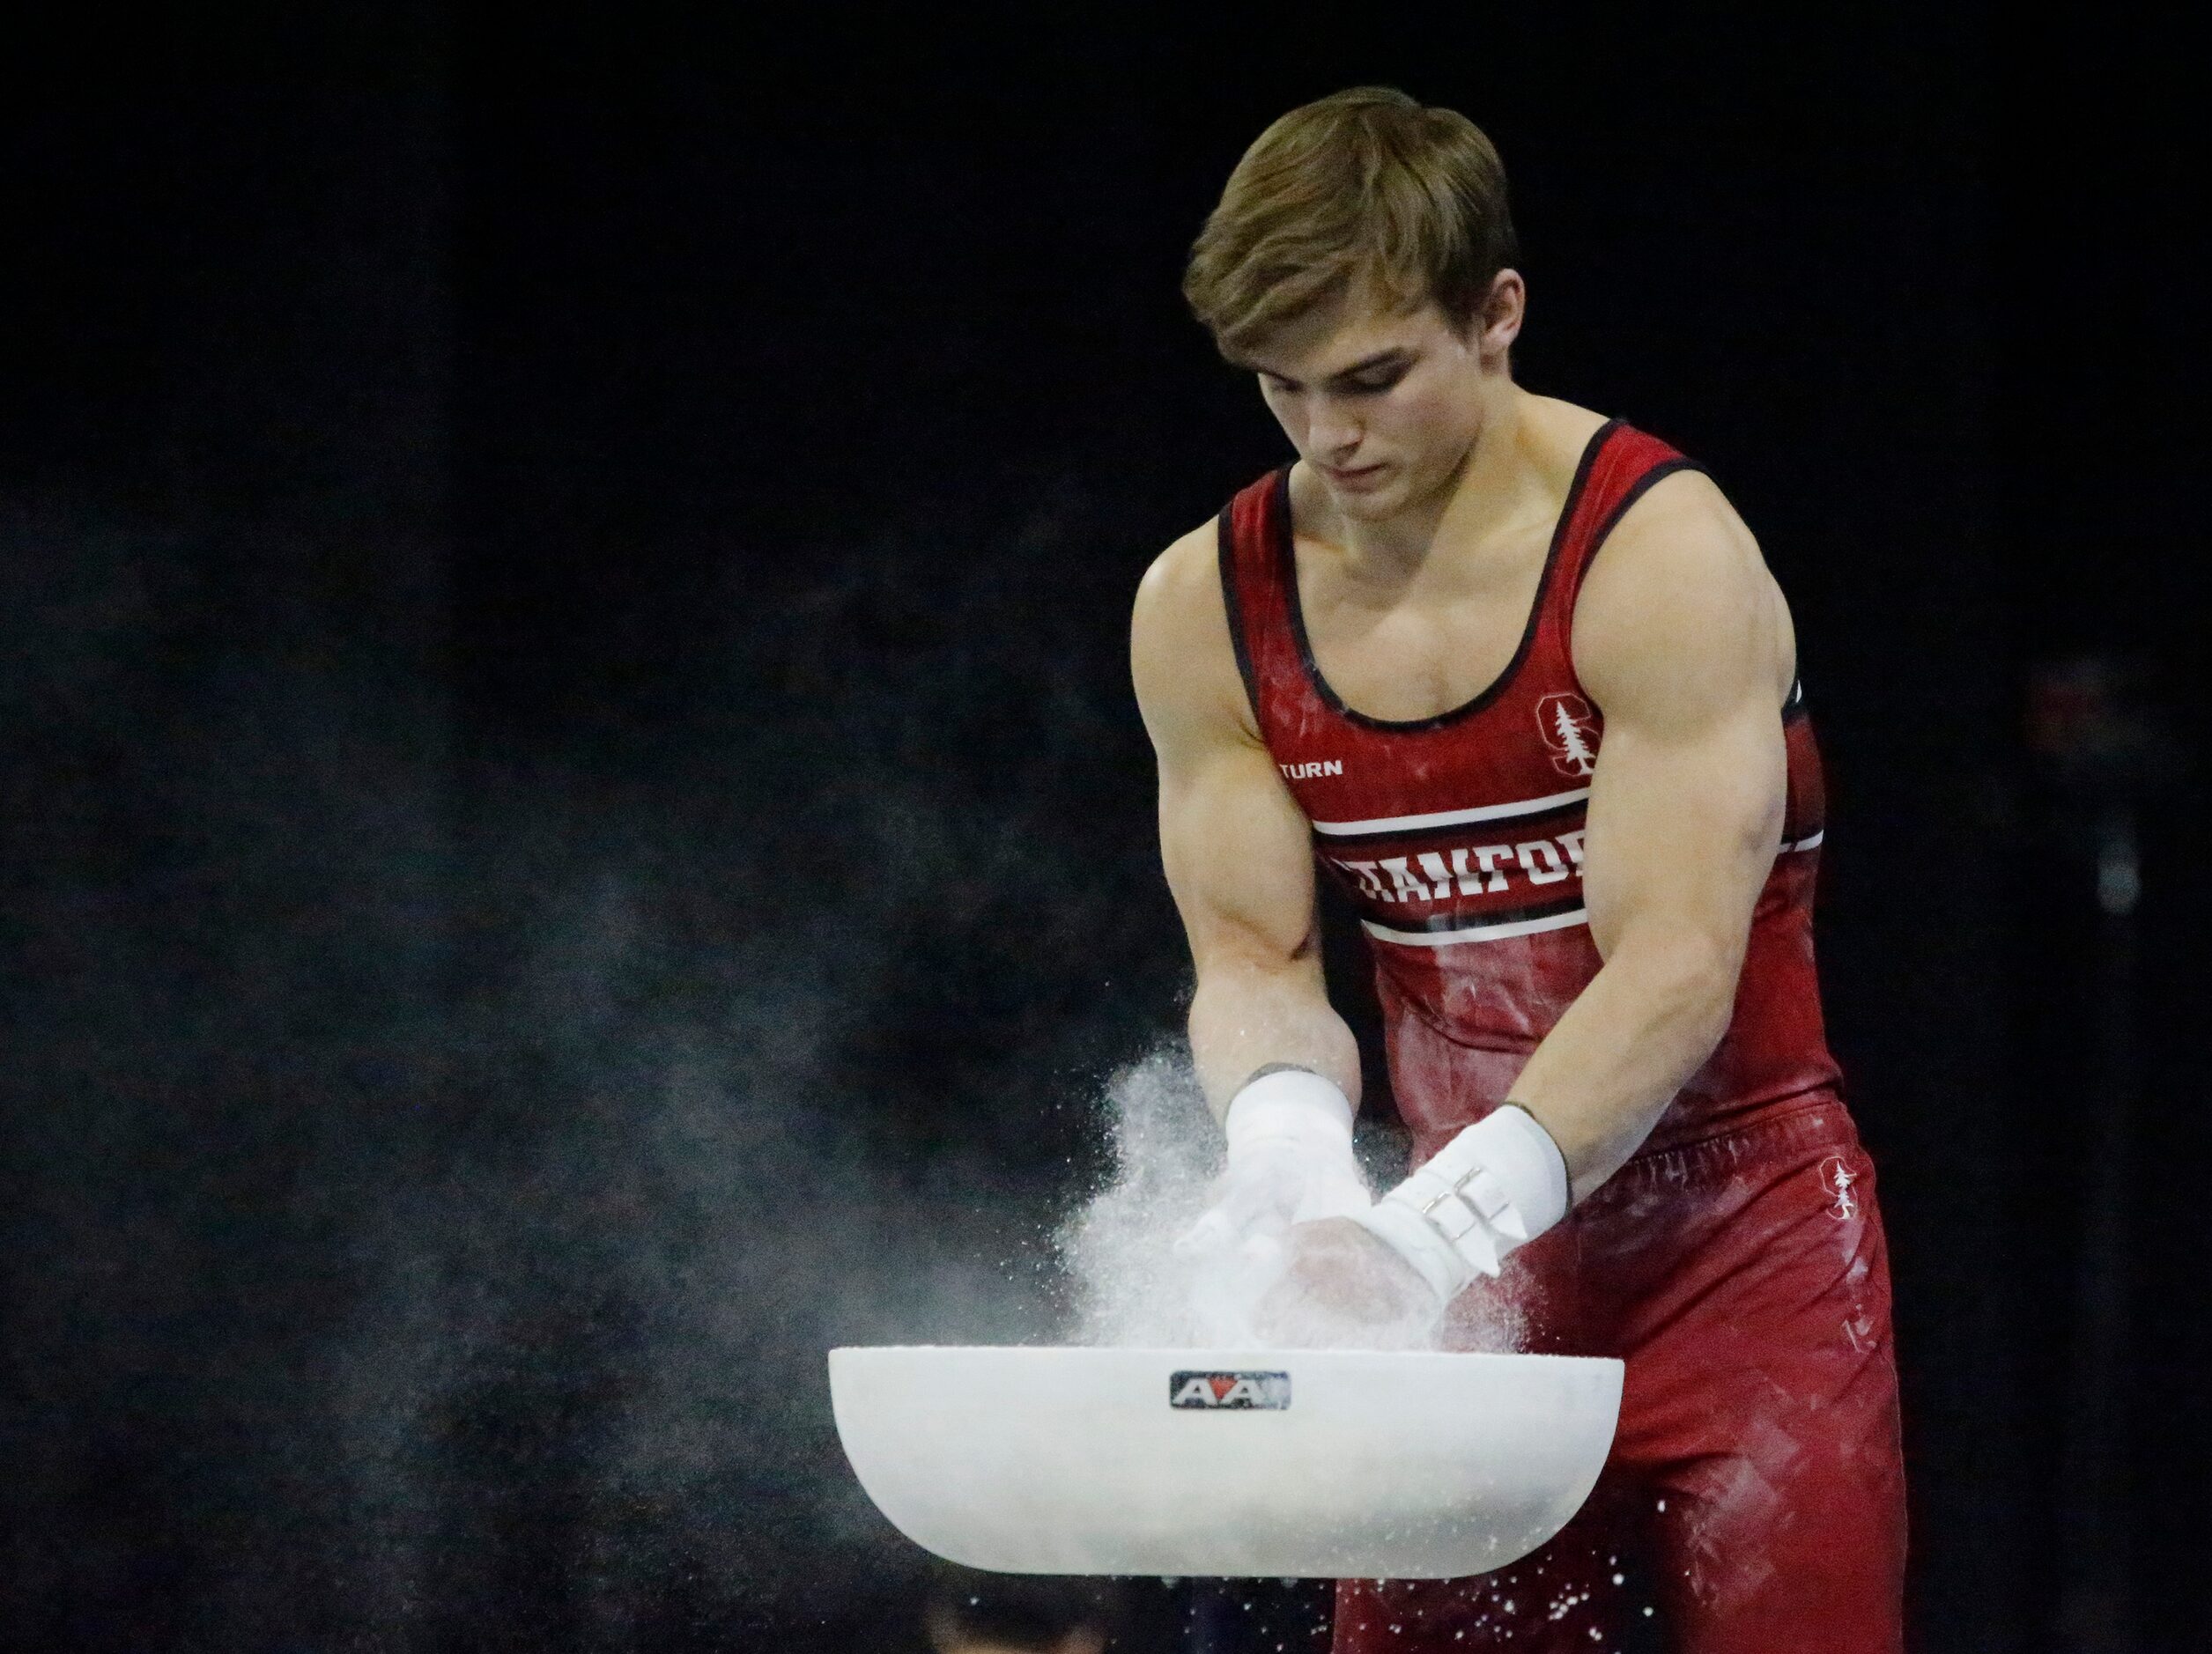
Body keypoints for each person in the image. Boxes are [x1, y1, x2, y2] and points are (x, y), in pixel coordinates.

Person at [1129, 87, 1905, 1653]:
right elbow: (1255, 965)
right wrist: (1287, 1163)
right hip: (1464, 1253)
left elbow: (1679, 964)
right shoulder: (1203, 604)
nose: (1328, 436)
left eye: (1373, 377)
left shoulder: (1657, 557)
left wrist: (1423, 1238)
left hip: (1737, 1236)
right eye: (1281, 388)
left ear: (1497, 315)